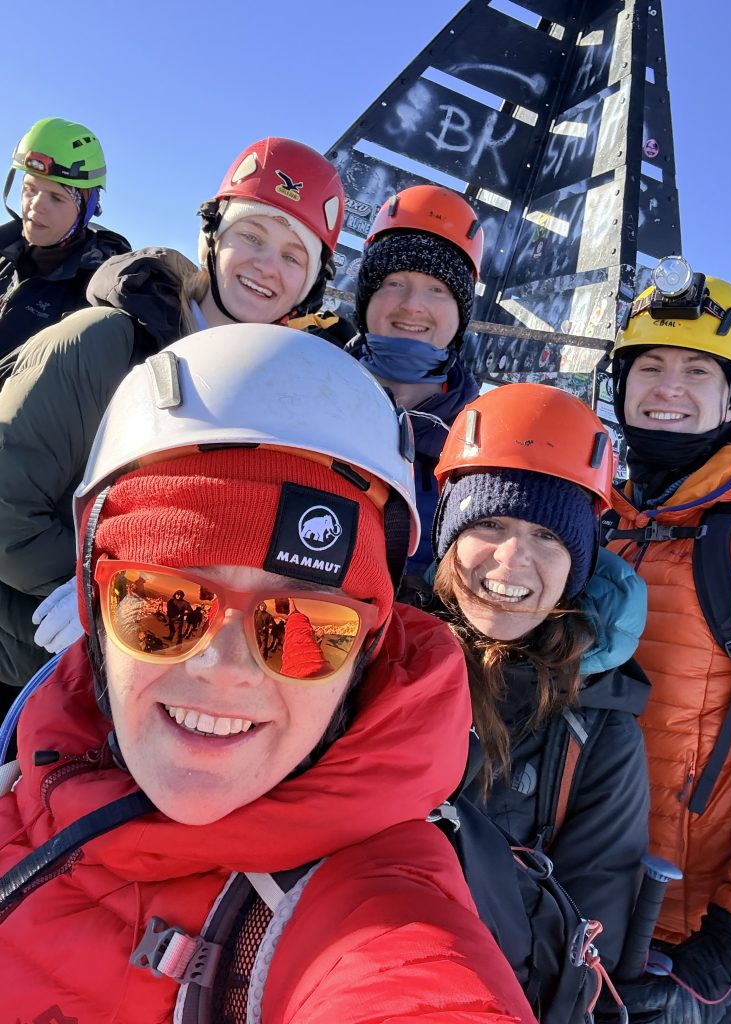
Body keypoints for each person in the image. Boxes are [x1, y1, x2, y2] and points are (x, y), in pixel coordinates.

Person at [0, 323, 534, 1024]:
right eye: (163, 605)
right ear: (96, 614)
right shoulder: (28, 778)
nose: (225, 670)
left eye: (306, 628)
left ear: (364, 658)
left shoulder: (375, 903)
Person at [0, 137, 346, 695]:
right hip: (27, 669)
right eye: (251, 236)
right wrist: (97, 585)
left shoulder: (279, 406)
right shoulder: (106, 343)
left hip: (147, 682)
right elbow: (6, 507)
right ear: (212, 237)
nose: (266, 266)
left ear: (309, 285)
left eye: (292, 255)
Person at [420, 382, 650, 975]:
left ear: (579, 564)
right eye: (491, 524)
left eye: (548, 535)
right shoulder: (375, 658)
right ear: (448, 537)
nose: (512, 559)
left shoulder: (597, 731)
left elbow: (586, 939)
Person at [604, 258, 731, 1022]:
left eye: (698, 370)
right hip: (577, 904)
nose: (669, 387)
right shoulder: (596, 515)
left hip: (698, 947)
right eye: (651, 365)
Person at [348, 183, 483, 574]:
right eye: (394, 283)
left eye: (437, 289)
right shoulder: (303, 394)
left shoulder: (482, 447)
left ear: (461, 315)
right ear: (366, 299)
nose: (413, 305)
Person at [0, 117, 130, 358]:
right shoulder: (5, 257)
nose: (36, 206)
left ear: (86, 208)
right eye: (30, 189)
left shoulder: (97, 292)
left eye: (56, 198)